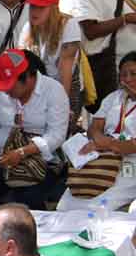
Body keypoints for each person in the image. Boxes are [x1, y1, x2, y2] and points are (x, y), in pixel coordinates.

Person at [0, 50, 69, 237]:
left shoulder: (54, 91)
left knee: (26, 201)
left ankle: (32, 248)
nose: (7, 91)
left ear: (29, 77)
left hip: (38, 161)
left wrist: (23, 152)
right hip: (2, 157)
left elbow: (56, 135)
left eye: (11, 85)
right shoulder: (0, 94)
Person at [58, 53, 136, 211]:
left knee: (97, 207)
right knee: (66, 204)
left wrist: (106, 144)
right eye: (123, 74)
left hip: (131, 163)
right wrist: (103, 143)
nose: (127, 79)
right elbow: (94, 128)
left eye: (133, 74)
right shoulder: (114, 98)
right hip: (102, 157)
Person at [18, 0, 83, 123]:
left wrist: (62, 107)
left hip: (66, 87)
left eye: (41, 7)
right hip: (37, 89)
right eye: (32, 6)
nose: (34, 11)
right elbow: (21, 66)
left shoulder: (69, 26)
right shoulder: (27, 28)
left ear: (53, 9)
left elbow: (65, 70)